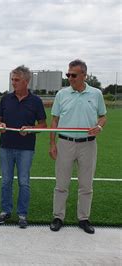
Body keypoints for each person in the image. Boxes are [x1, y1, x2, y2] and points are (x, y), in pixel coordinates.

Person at [49, 59, 107, 234]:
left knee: (86, 185)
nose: (70, 78)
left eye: (73, 75)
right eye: (68, 75)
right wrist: (52, 143)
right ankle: (58, 217)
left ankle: (83, 218)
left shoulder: (96, 94)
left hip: (88, 145)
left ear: (84, 75)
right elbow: (54, 120)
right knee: (61, 184)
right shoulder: (61, 94)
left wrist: (99, 126)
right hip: (65, 143)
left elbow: (103, 116)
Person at [0, 65, 47, 229]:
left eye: (16, 80)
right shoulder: (6, 99)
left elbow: (43, 126)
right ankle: (5, 211)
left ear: (26, 81)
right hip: (6, 146)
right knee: (6, 181)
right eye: (12, 79)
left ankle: (22, 214)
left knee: (24, 182)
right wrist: (0, 124)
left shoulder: (36, 101)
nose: (13, 83)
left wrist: (31, 130)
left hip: (26, 148)